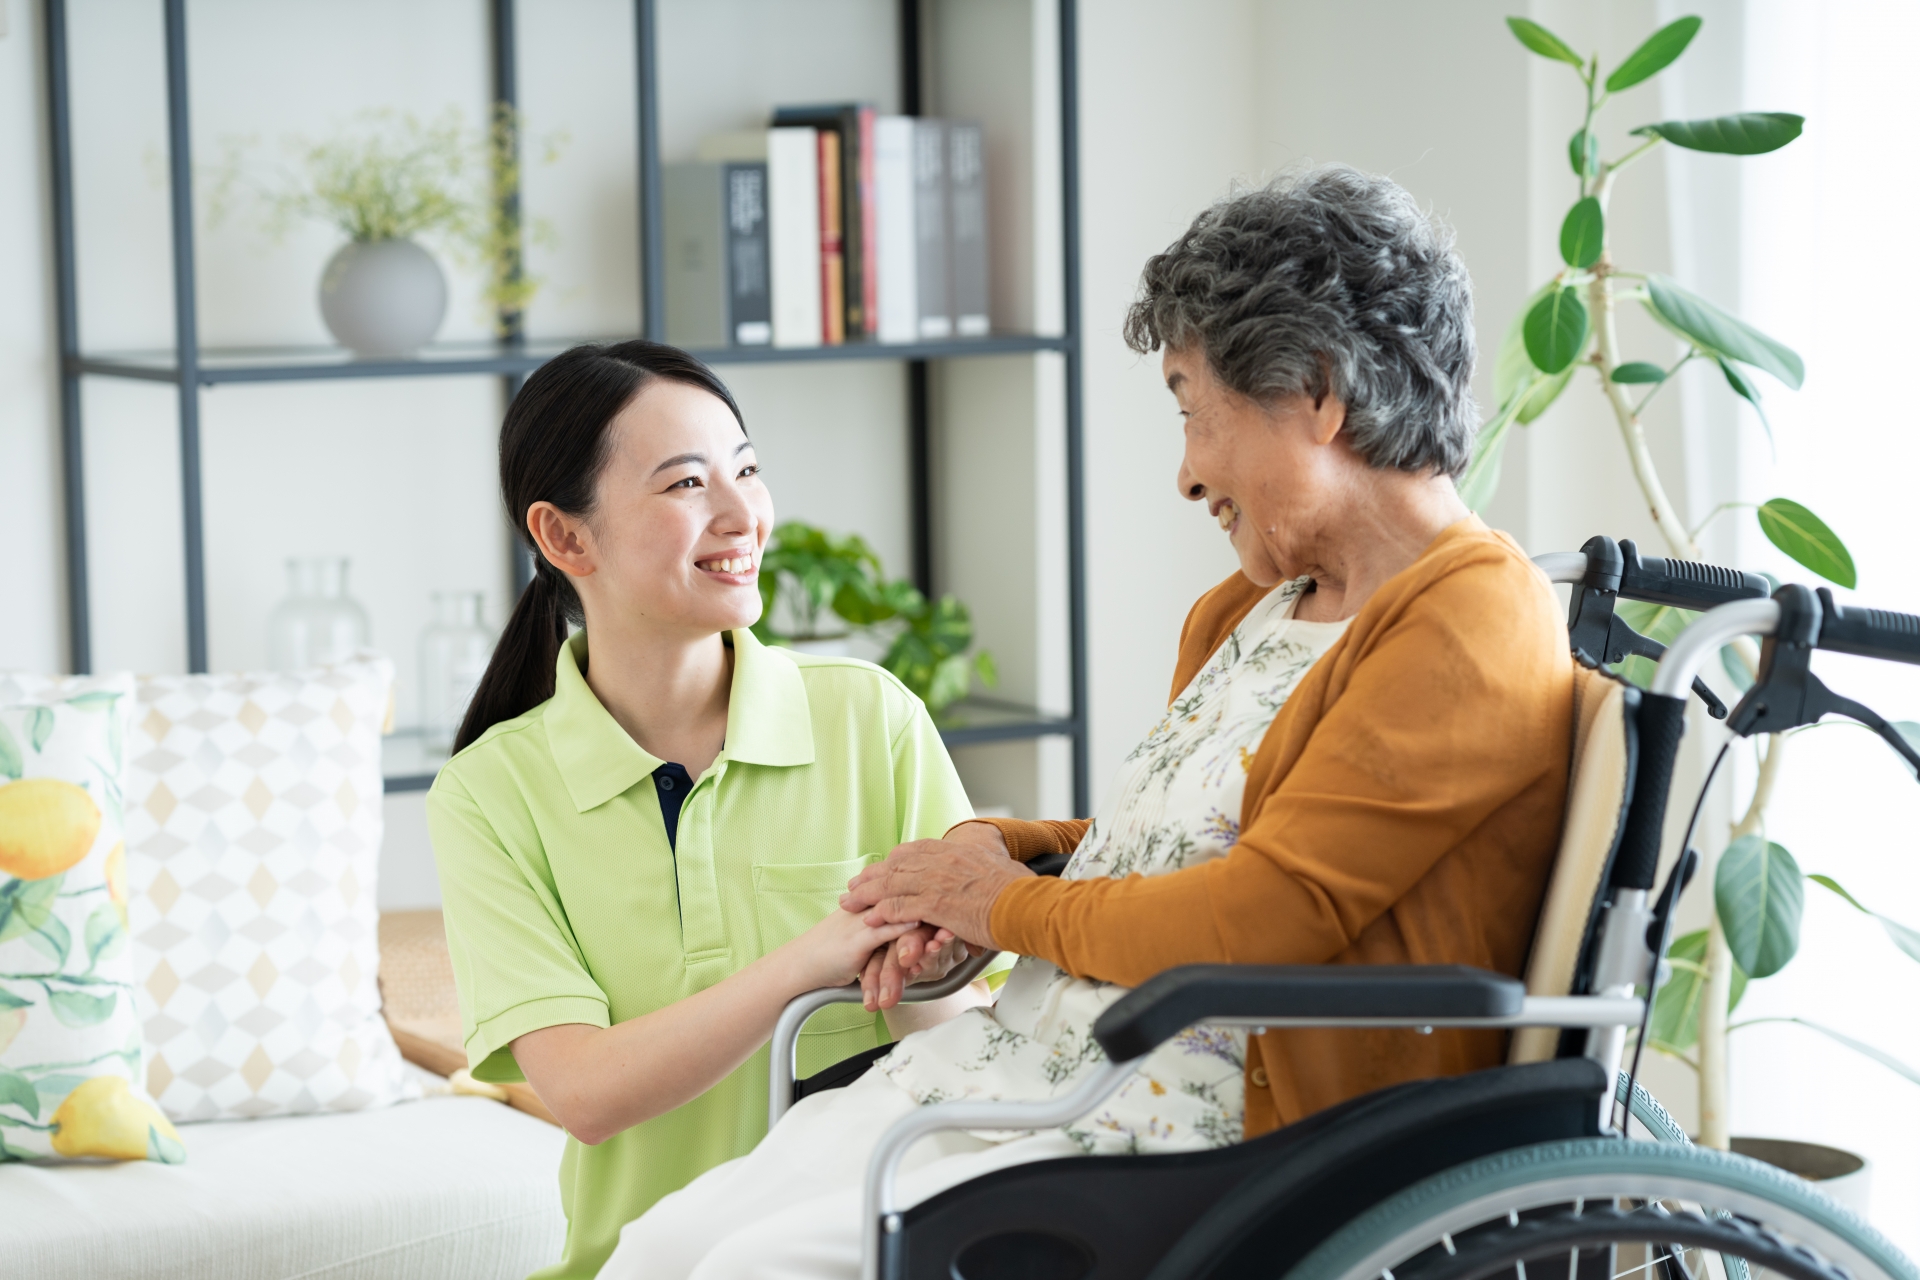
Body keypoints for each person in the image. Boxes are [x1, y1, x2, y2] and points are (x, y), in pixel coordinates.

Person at [603, 165, 1577, 1280]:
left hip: (1216, 1130)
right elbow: (1182, 846)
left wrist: (1001, 905)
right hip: (1049, 1066)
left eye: (1192, 409)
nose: (1185, 473)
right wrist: (999, 851)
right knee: (659, 1249)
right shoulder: (1256, 608)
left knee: (758, 1266)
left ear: (1316, 390)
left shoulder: (1469, 616)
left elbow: (1266, 913)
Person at [426, 341, 986, 1280]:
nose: (743, 515)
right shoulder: (490, 795)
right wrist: (815, 960)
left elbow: (958, 1049)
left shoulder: (872, 718)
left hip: (864, 1253)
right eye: (688, 483)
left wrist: (928, 972)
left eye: (748, 470)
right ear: (566, 538)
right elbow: (584, 1092)